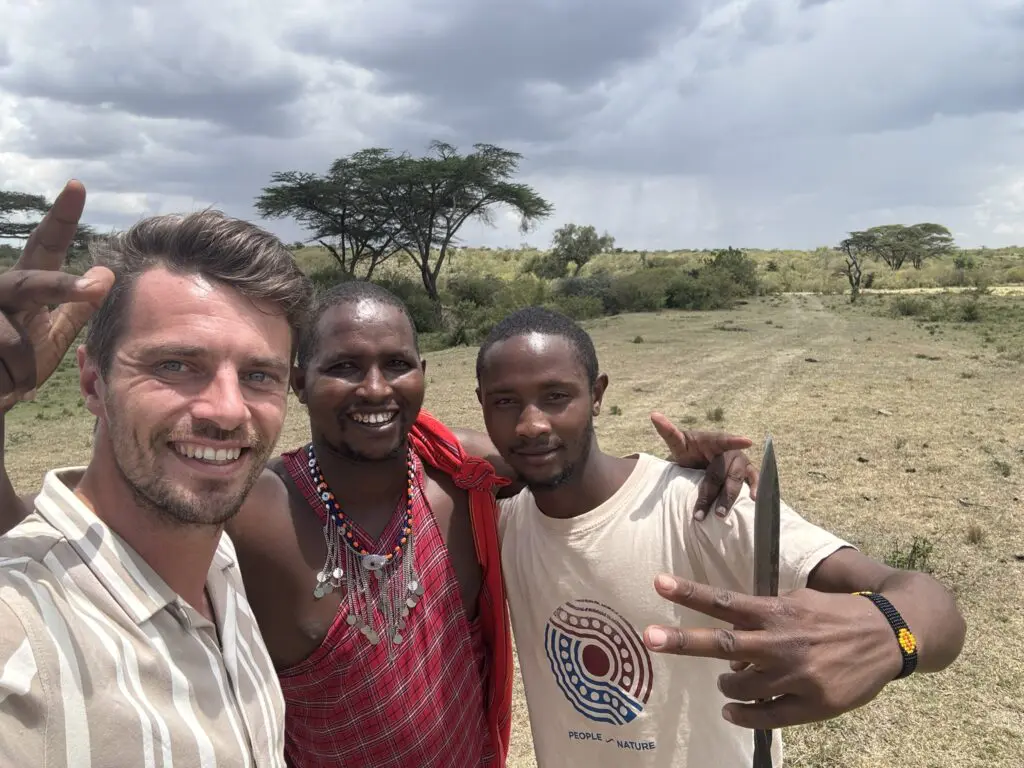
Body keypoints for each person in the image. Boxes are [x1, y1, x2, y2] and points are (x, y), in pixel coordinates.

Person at [0, 201, 758, 766]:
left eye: (395, 365)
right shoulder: (248, 507)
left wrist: (682, 470)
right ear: (300, 382)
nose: (373, 389)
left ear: (423, 375)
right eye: (343, 367)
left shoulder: (464, 481)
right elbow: (73, 548)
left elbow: (560, 461)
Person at [471, 305, 967, 767]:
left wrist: (890, 632)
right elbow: (433, 441)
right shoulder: (499, 520)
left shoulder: (702, 505)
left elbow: (937, 612)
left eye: (556, 396)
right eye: (505, 402)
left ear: (597, 394)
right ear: (482, 405)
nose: (531, 424)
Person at [0, 180, 314, 767]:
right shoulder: (20, 638)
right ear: (93, 383)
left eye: (259, 376)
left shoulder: (219, 565)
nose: (228, 410)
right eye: (176, 365)